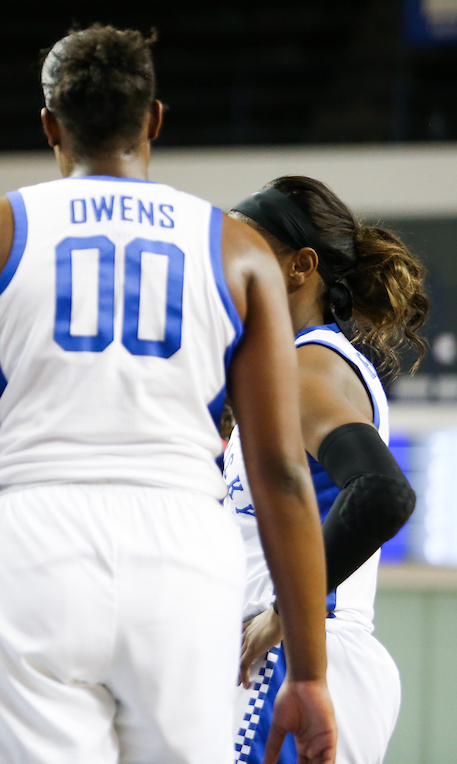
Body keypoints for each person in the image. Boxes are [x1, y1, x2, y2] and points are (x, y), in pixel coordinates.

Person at [0, 25, 337, 764]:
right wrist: (310, 670)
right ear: (155, 120)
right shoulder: (238, 249)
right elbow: (281, 474)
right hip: (184, 547)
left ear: (49, 126)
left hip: (31, 536)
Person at [224, 176, 426, 764]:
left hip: (298, 654)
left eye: (244, 247)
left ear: (299, 267)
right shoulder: (298, 365)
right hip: (305, 654)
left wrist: (284, 615)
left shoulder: (304, 367)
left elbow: (383, 493)